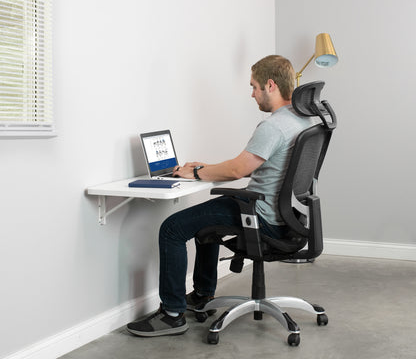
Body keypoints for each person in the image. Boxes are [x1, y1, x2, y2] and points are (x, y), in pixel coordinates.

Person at [126, 55, 313, 337]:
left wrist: (197, 173)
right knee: (205, 224)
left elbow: (238, 169)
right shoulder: (302, 121)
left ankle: (172, 314)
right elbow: (269, 168)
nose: (252, 94)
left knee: (172, 228)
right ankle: (202, 295)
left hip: (261, 215)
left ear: (270, 85)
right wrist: (205, 168)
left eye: (254, 87)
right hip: (284, 216)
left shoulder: (273, 127)